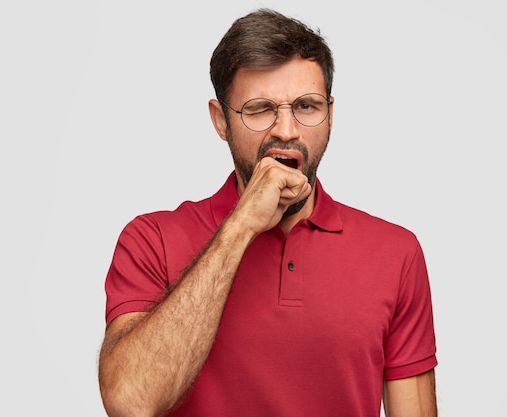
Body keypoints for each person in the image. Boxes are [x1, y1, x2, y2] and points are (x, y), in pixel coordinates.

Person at [98, 8, 438, 417]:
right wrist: (241, 225)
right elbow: (129, 403)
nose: (286, 130)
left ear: (330, 114)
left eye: (307, 106)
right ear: (221, 120)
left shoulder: (396, 252)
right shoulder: (150, 239)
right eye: (260, 109)